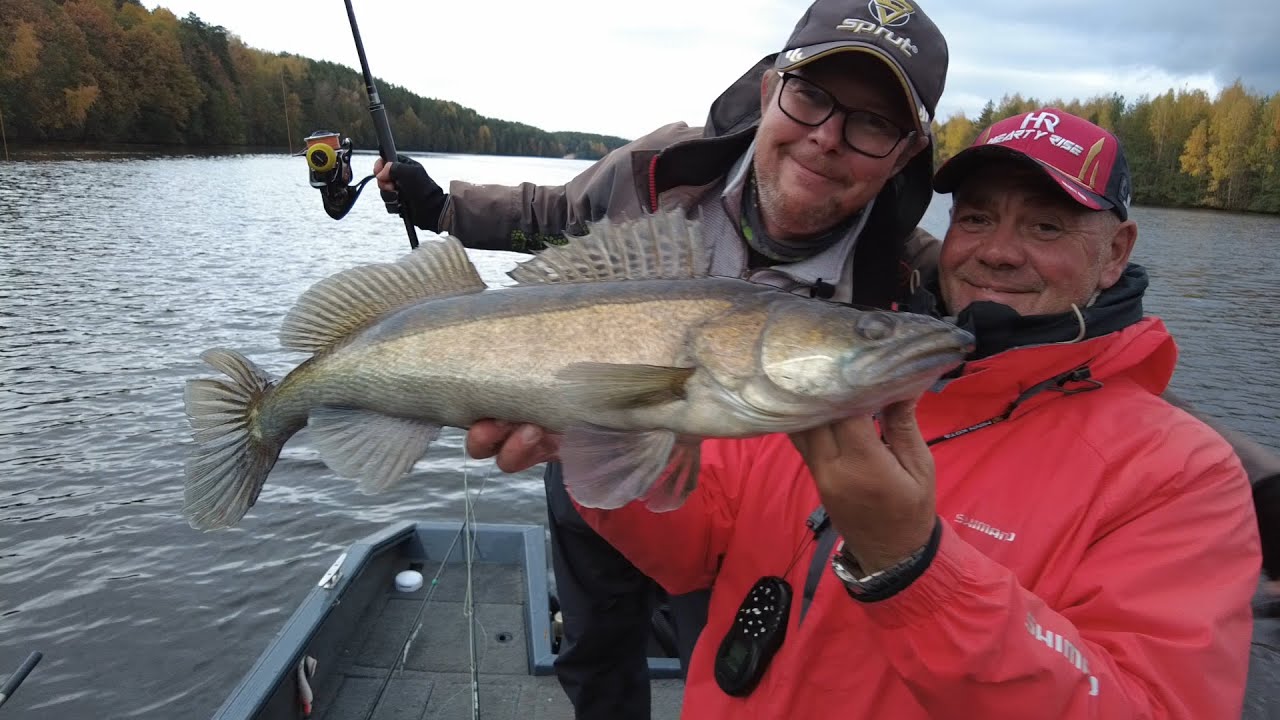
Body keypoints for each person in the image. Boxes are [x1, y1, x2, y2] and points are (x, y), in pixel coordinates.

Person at [566, 108, 1263, 717]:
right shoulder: (843, 380)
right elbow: (693, 551)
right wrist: (587, 427)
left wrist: (914, 567)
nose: (997, 251)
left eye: (1045, 226)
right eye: (978, 218)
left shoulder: (1182, 476)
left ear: (1116, 252)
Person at [376, 1, 952, 717]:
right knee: (591, 644)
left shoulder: (919, 274)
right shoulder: (662, 166)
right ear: (773, 87)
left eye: (872, 124)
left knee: (712, 647)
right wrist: (444, 210)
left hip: (748, 506)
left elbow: (1027, 294)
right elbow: (556, 214)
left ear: (904, 153)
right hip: (590, 439)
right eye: (811, 97)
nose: (827, 138)